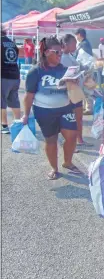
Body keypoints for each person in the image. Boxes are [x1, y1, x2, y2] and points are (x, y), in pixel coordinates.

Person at [23, 36, 80, 180]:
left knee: (72, 136)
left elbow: (73, 90)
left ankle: (67, 162)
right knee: (51, 140)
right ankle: (54, 168)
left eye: (61, 52)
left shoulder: (65, 69)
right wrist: (25, 115)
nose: (60, 55)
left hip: (65, 108)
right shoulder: (35, 71)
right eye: (57, 52)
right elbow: (29, 95)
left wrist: (74, 82)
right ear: (47, 52)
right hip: (44, 111)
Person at [61, 34, 93, 149]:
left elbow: (77, 68)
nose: (76, 45)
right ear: (66, 44)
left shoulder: (70, 56)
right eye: (74, 43)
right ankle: (70, 144)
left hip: (76, 91)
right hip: (67, 93)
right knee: (70, 119)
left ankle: (80, 140)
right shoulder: (60, 58)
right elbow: (61, 77)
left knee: (79, 118)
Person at [1, 28, 21, 134]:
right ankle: (18, 123)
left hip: (3, 75)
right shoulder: (12, 43)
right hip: (15, 74)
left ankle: (4, 126)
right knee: (14, 100)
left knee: (1, 101)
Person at [74, 28, 94, 115]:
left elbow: (86, 58)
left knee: (87, 90)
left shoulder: (84, 44)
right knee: (83, 89)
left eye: (76, 35)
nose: (76, 37)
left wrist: (85, 69)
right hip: (84, 69)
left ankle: (89, 108)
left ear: (79, 34)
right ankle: (85, 107)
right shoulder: (84, 44)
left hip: (86, 70)